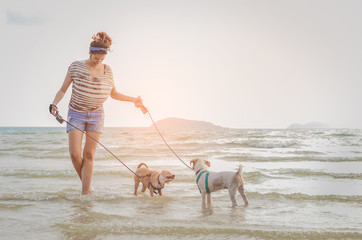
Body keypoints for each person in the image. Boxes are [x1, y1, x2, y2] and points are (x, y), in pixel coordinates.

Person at [50, 32, 143, 195]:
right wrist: (54, 104)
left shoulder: (108, 71)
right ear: (90, 52)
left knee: (89, 154)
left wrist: (133, 100)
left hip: (96, 115)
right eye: (96, 58)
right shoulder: (75, 67)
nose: (98, 61)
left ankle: (85, 193)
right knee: (74, 154)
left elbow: (114, 94)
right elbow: (62, 90)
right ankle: (88, 189)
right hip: (76, 113)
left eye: (102, 58)